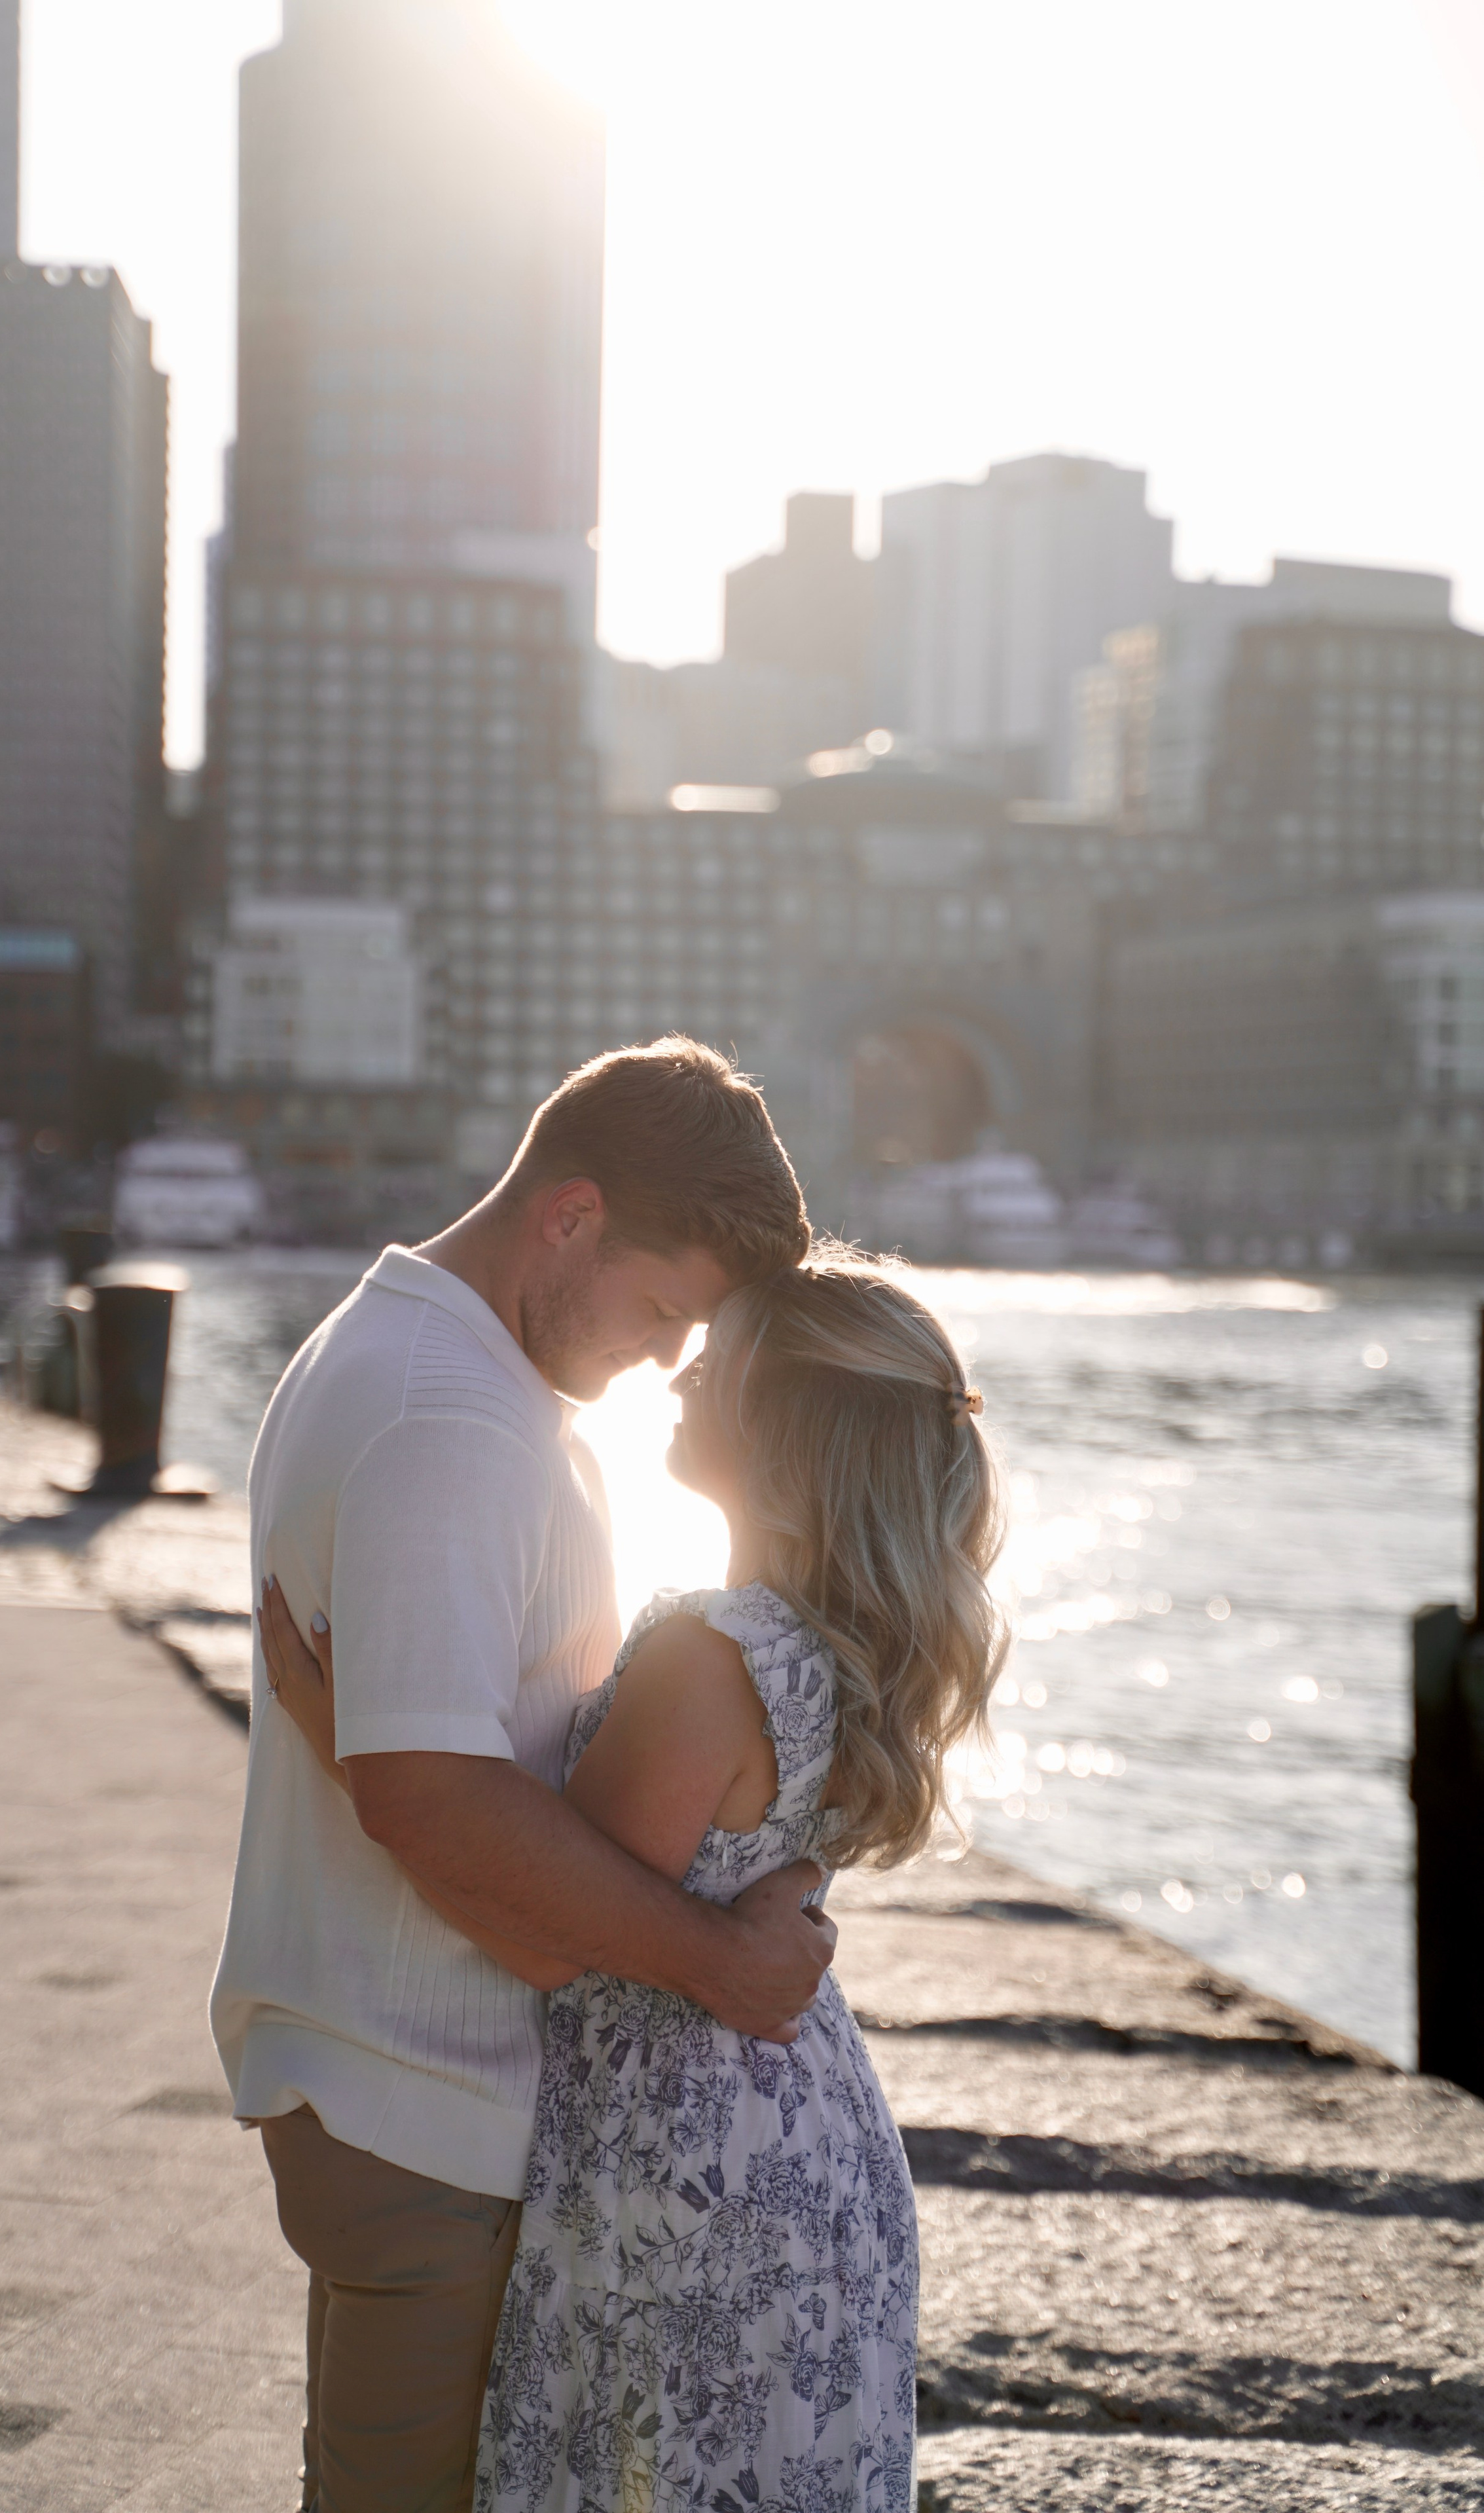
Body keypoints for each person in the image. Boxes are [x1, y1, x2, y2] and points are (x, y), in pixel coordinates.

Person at [263, 1253, 1007, 2510]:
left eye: (724, 1364)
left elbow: (543, 1923)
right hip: (797, 2133)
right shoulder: (829, 1646)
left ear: (789, 1425)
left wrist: (365, 1751)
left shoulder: (712, 1658)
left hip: (690, 2153)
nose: (683, 1373)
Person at [209, 1038, 831, 2513]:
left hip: (396, 2085)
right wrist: (722, 1962)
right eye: (659, 1306)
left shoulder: (430, 1358)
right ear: (569, 1214)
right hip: (429, 2097)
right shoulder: (451, 1415)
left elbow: (428, 1760)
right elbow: (431, 1795)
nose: (663, 1356)